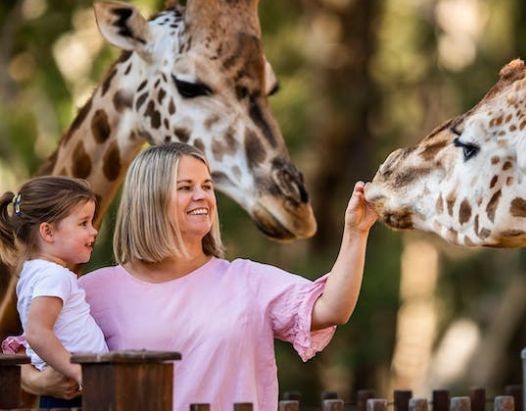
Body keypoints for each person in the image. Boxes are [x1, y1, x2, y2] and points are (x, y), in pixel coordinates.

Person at [19, 143, 378, 410]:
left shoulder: (247, 281)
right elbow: (23, 352)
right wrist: (39, 381)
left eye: (206, 185)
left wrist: (356, 233)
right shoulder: (94, 291)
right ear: (150, 199)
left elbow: (333, 308)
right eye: (186, 186)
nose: (202, 195)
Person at [0, 176, 108, 408]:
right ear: (48, 232)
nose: (94, 231)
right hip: (73, 394)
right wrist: (78, 371)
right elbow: (37, 333)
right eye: (83, 223)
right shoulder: (54, 277)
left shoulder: (35, 273)